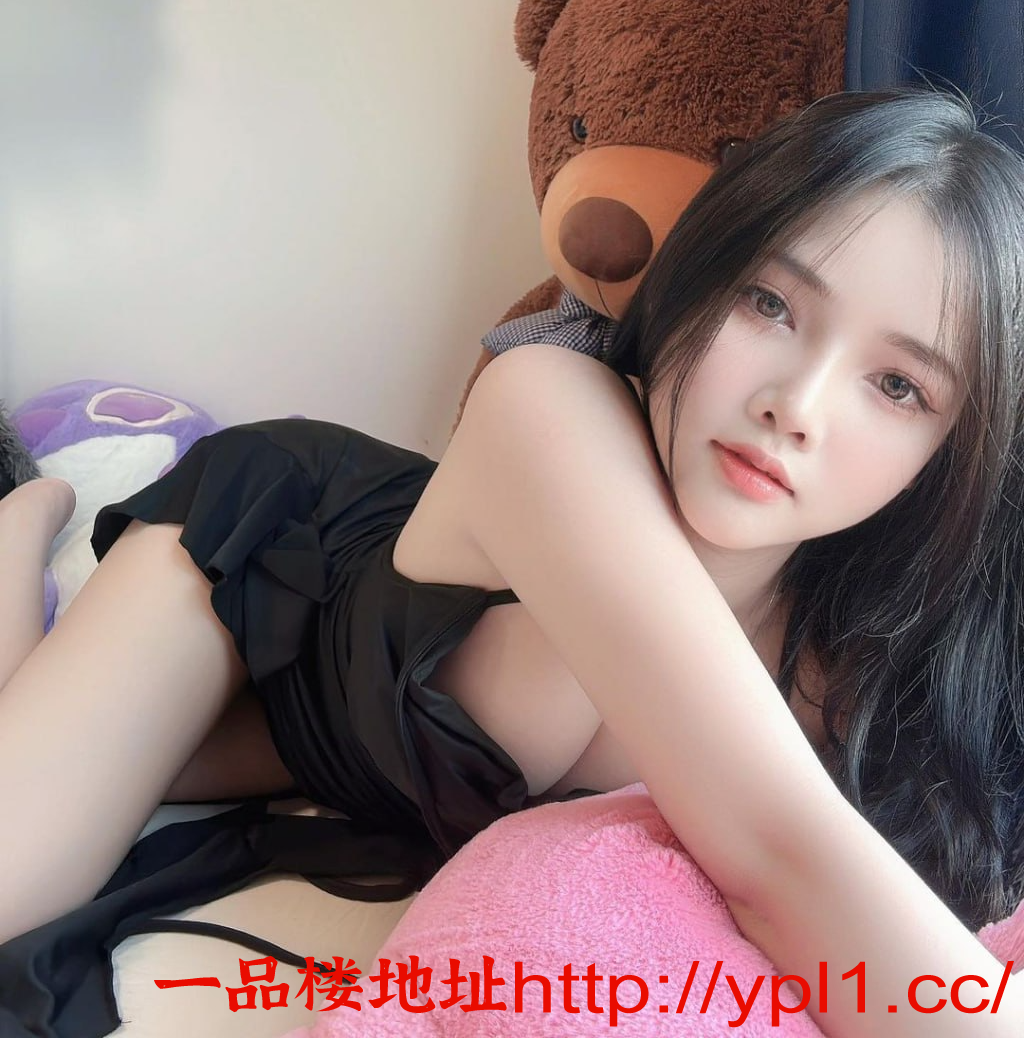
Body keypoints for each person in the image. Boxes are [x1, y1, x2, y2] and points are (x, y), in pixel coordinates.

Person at [1, 87, 1022, 1037]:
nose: (795, 406)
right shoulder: (546, 402)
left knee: (118, 757)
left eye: (897, 385)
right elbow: (775, 849)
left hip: (360, 736)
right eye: (769, 303)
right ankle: (24, 515)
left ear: (953, 449)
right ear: (703, 267)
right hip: (274, 564)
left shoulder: (878, 647)